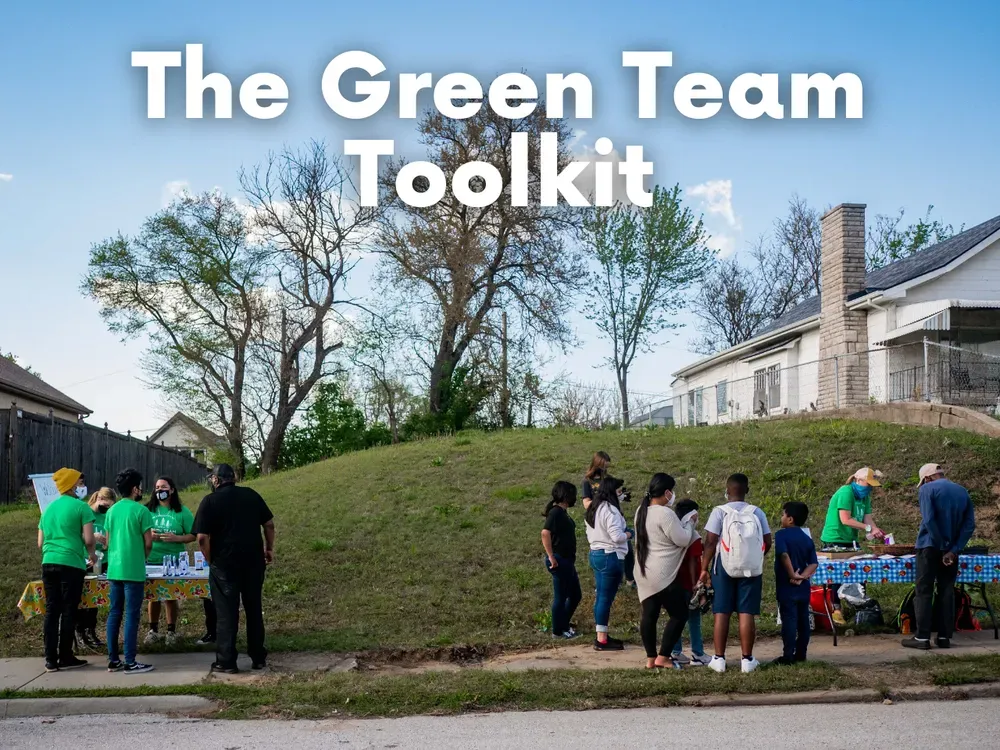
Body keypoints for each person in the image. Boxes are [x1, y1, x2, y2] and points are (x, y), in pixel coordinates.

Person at [194, 463, 275, 674]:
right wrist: (269, 549)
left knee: (226, 613)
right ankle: (258, 657)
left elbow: (202, 537)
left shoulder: (209, 501)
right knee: (254, 609)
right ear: (235, 477)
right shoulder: (251, 495)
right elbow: (269, 524)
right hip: (253, 562)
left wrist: (211, 560)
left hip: (224, 565)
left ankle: (227, 661)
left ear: (215, 480)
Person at [700, 473, 772, 674]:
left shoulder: (719, 512)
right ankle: (747, 660)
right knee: (746, 611)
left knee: (721, 611)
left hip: (723, 566)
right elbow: (768, 541)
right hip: (751, 567)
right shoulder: (757, 512)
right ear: (746, 490)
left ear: (726, 490)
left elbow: (711, 542)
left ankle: (719, 659)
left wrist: (704, 568)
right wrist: (754, 557)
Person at [902, 463, 976, 651]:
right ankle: (944, 637)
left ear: (927, 478)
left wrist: (942, 547)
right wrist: (953, 549)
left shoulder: (927, 489)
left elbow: (929, 520)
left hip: (930, 547)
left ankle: (922, 638)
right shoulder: (962, 491)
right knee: (946, 591)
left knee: (924, 591)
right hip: (952, 550)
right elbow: (969, 525)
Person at [633, 474, 698, 669]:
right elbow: (683, 539)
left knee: (649, 614)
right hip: (663, 574)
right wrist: (690, 522)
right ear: (667, 492)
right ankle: (664, 656)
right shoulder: (665, 513)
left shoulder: (640, 511)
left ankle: (651, 658)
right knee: (679, 614)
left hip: (643, 572)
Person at [37, 467, 97, 672]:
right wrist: (92, 555)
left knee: (52, 610)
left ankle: (50, 659)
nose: (82, 486)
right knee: (69, 609)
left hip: (48, 562)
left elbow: (40, 542)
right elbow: (89, 539)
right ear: (72, 485)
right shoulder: (82, 508)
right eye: (80, 482)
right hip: (71, 563)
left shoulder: (48, 510)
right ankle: (66, 656)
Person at [820, 467, 886, 626]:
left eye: (871, 486)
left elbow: (867, 519)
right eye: (867, 484)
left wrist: (875, 530)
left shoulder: (865, 497)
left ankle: (859, 607)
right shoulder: (845, 492)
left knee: (857, 573)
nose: (869, 488)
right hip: (835, 539)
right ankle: (836, 609)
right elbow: (846, 519)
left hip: (851, 539)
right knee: (837, 575)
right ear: (858, 480)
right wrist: (868, 529)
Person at [105, 467, 155, 674]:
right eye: (140, 486)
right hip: (133, 569)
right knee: (132, 615)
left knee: (114, 612)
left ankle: (113, 659)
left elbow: (107, 542)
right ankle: (131, 661)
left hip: (114, 568)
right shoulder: (141, 511)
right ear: (135, 489)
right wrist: (142, 557)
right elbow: (149, 542)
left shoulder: (111, 510)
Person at [144, 476, 196, 645]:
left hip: (174, 562)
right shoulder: (148, 510)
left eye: (164, 487)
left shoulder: (182, 511)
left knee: (171, 595)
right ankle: (153, 630)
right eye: (157, 488)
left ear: (172, 490)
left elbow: (193, 535)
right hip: (151, 559)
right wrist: (148, 536)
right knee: (153, 596)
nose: (160, 491)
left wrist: (176, 538)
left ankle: (171, 631)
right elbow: (137, 531)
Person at [585, 476, 630, 651]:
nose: (621, 494)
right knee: (605, 598)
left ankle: (601, 635)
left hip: (596, 554)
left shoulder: (593, 508)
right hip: (610, 555)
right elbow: (617, 537)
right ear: (612, 492)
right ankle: (602, 640)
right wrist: (629, 534)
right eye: (619, 491)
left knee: (601, 597)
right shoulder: (610, 511)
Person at [773, 502, 819, 665]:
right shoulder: (806, 538)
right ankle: (802, 653)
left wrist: (792, 574)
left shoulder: (781, 535)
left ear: (790, 519)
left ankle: (788, 655)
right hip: (803, 588)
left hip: (787, 586)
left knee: (789, 621)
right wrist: (802, 577)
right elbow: (813, 563)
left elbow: (784, 555)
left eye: (783, 515)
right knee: (803, 620)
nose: (781, 517)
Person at [581, 453, 635, 587]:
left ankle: (630, 579)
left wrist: (620, 496)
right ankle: (607, 580)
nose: (606, 468)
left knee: (627, 548)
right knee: (604, 550)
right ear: (597, 463)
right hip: (598, 520)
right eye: (604, 464)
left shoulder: (609, 479)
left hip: (614, 517)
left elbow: (615, 495)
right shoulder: (587, 481)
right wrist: (602, 499)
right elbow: (586, 503)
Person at [75, 487, 117, 649]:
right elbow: (76, 534)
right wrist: (92, 537)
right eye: (105, 505)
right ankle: (80, 631)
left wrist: (108, 543)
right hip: (84, 560)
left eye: (110, 507)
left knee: (95, 598)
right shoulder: (85, 512)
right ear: (98, 498)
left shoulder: (107, 515)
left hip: (101, 560)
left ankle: (90, 630)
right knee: (82, 597)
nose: (107, 509)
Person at [669, 499, 711, 666]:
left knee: (676, 617)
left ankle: (676, 651)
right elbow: (694, 560)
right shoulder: (693, 536)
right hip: (689, 583)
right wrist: (696, 584)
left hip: (674, 581)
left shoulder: (675, 532)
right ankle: (698, 653)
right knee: (694, 619)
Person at [541, 481, 582, 640]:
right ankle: (558, 630)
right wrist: (551, 556)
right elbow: (545, 533)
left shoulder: (561, 513)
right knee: (561, 596)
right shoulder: (556, 513)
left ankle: (563, 624)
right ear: (566, 496)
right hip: (559, 560)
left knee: (575, 595)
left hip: (567, 561)